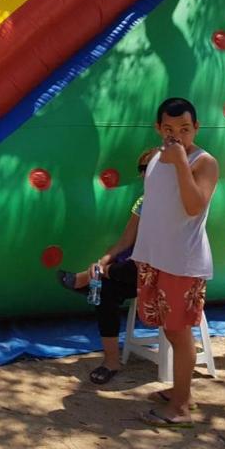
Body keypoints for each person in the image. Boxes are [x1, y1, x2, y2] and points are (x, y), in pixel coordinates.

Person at [132, 97, 218, 429]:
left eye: (184, 129)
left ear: (196, 127)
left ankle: (180, 408)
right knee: (169, 330)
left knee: (180, 334)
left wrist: (181, 161)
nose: (176, 136)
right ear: (158, 128)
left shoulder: (204, 161)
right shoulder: (155, 157)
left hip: (183, 262)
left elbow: (194, 205)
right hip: (155, 258)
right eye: (169, 129)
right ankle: (183, 392)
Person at [56, 149, 156, 385]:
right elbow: (124, 241)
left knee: (126, 271)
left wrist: (106, 269)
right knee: (107, 290)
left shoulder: (176, 203)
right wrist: (103, 261)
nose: (144, 175)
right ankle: (112, 360)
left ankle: (86, 280)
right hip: (135, 271)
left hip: (163, 273)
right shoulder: (143, 202)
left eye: (150, 168)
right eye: (142, 170)